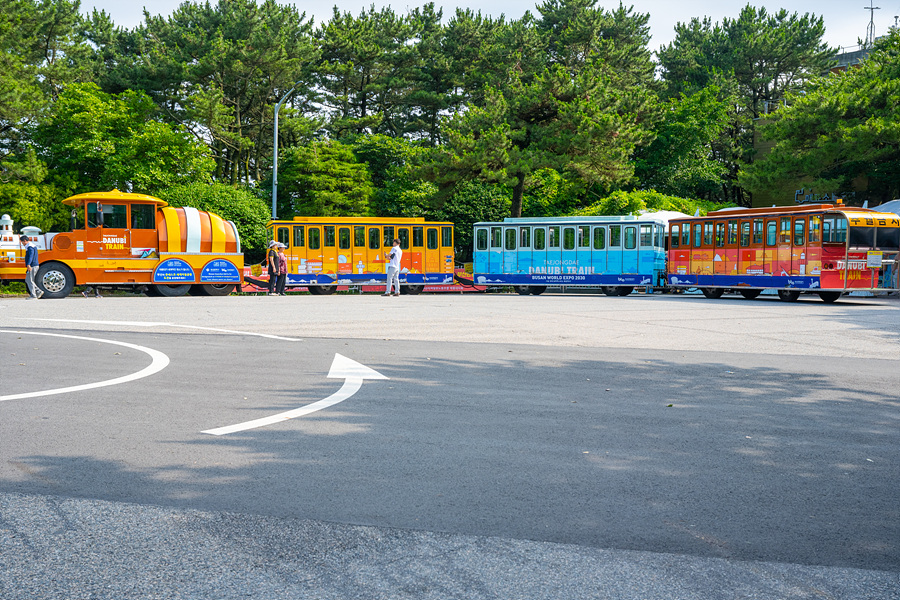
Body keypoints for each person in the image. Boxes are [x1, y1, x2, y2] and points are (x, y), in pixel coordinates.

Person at [20, 235, 43, 299]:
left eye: (22, 242)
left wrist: (28, 264)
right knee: (28, 280)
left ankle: (33, 295)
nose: (23, 244)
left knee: (30, 280)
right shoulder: (31, 246)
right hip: (33, 265)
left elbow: (31, 256)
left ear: (25, 241)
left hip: (32, 265)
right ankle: (38, 291)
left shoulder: (30, 247)